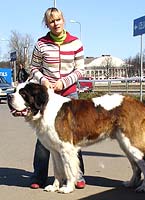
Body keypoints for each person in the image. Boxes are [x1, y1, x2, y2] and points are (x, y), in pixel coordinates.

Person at [29, 7, 86, 189]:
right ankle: (39, 176)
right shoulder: (41, 44)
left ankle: (77, 176)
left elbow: (80, 70)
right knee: (44, 136)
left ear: (64, 20)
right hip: (47, 95)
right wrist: (44, 81)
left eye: (58, 20)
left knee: (72, 138)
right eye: (52, 21)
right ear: (47, 24)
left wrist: (65, 82)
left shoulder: (76, 43)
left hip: (69, 93)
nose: (56, 24)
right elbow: (33, 68)